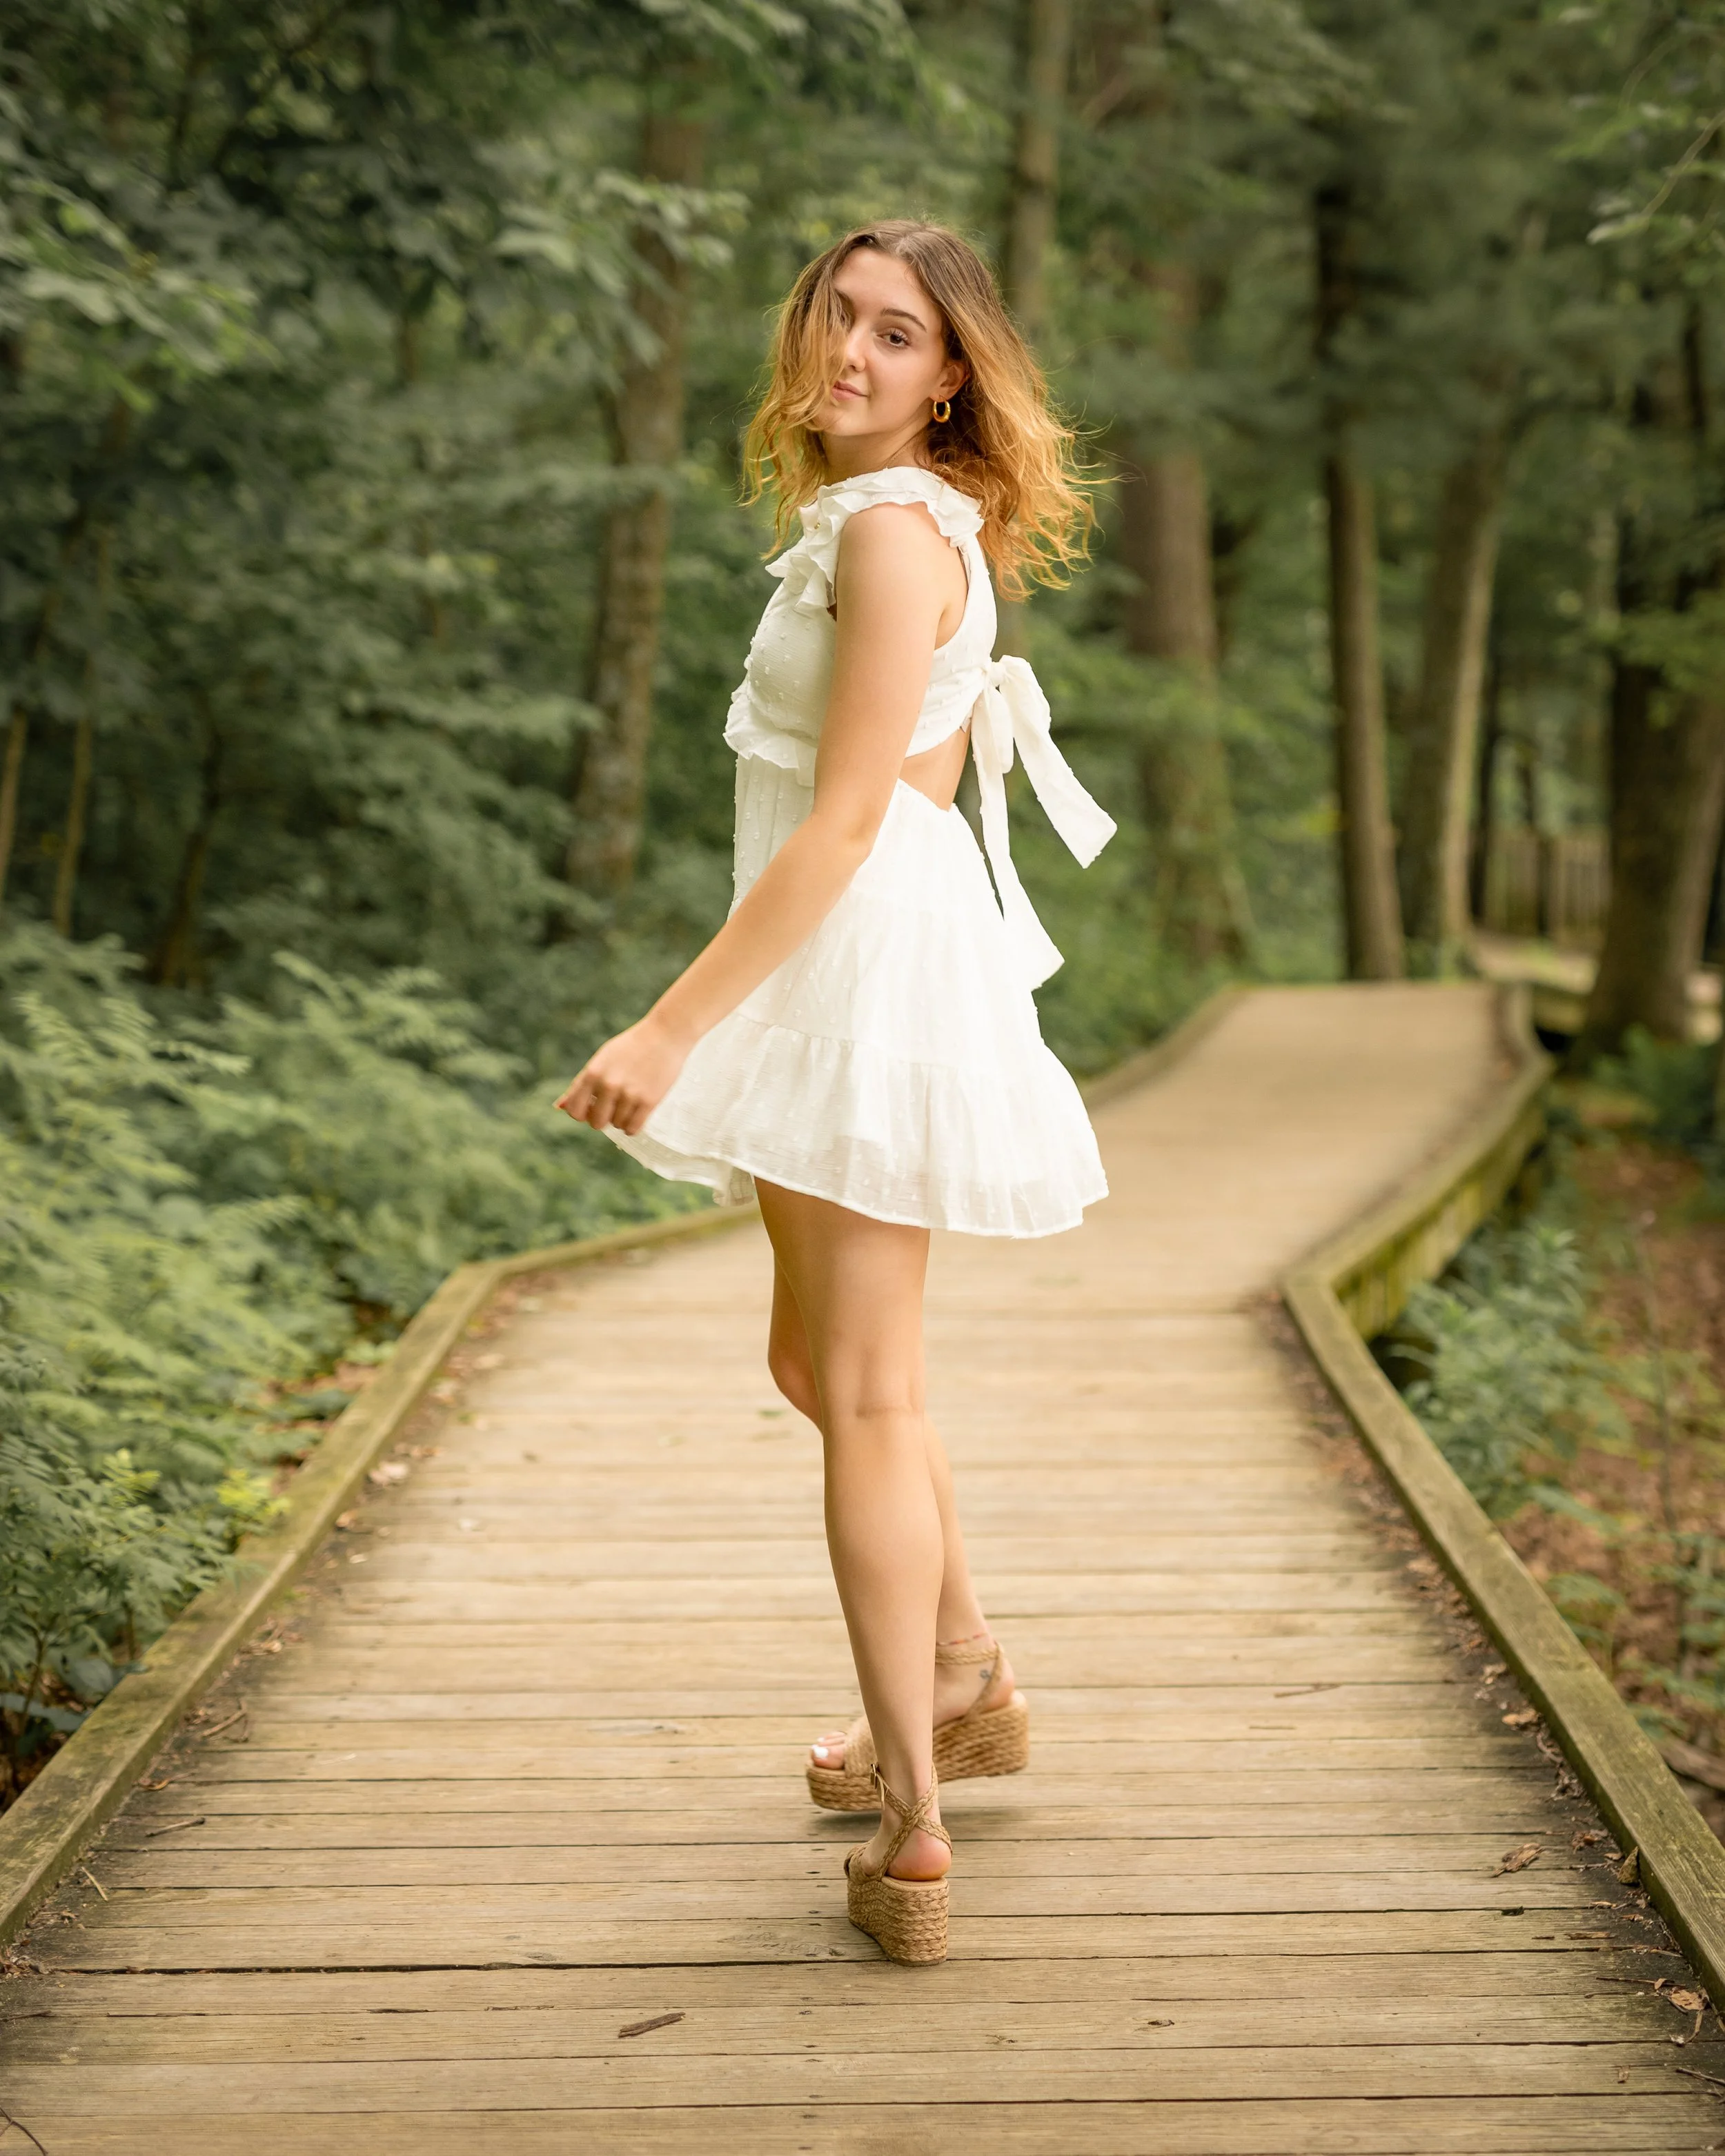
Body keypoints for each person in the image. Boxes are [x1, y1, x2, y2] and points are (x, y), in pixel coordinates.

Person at [556, 219, 1114, 1966]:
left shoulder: (887, 535)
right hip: (848, 946)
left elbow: (856, 818)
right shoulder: (877, 521)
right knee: (816, 1363)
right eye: (839, 320)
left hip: (859, 954)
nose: (854, 354)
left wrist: (668, 1029)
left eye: (897, 335)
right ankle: (962, 1677)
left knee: (862, 1388)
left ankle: (913, 1824)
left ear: (952, 374)